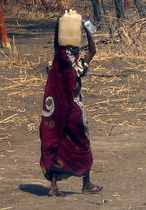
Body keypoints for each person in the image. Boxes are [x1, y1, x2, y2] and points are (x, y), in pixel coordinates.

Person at [39, 18, 102, 196]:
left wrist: (58, 27)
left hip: (56, 109)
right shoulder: (77, 66)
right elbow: (93, 51)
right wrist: (87, 30)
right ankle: (86, 183)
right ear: (75, 50)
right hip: (73, 108)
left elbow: (56, 48)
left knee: (56, 142)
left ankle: (53, 186)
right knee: (82, 144)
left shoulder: (55, 64)